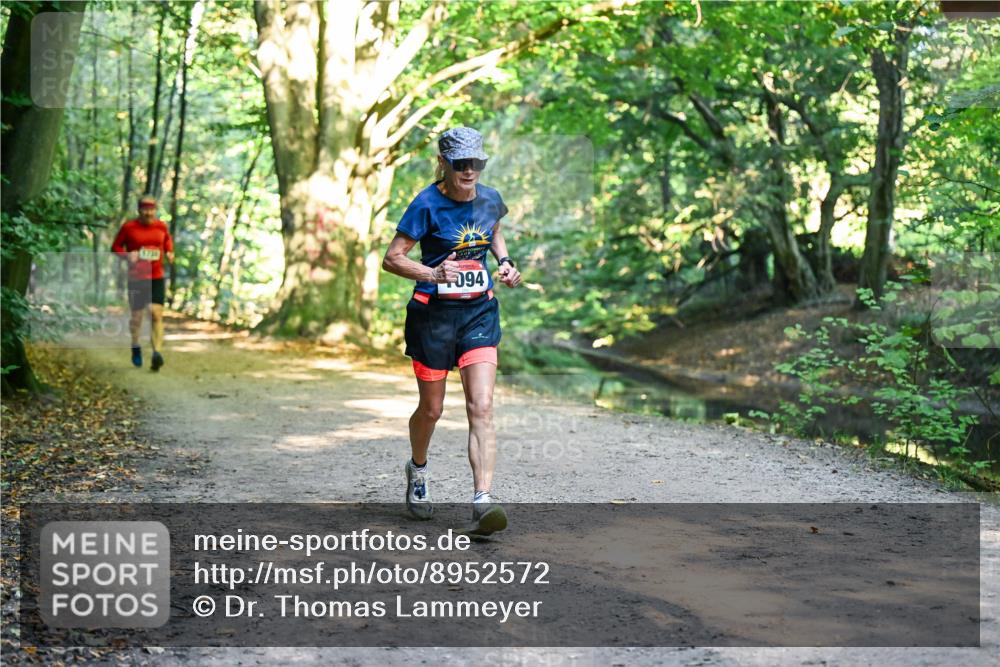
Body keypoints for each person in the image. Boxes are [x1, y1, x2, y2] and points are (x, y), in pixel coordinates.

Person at [382, 127, 522, 537]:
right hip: (434, 318)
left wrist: (505, 261)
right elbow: (393, 259)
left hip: (480, 313)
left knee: (481, 407)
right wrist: (431, 272)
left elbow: (494, 228)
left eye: (476, 163)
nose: (469, 171)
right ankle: (418, 469)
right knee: (432, 410)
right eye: (460, 164)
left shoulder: (491, 198)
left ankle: (482, 501)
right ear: (443, 163)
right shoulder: (426, 204)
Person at [111, 195, 174, 371]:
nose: (149, 213)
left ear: (155, 210)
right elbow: (115, 247)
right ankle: (135, 345)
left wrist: (169, 252)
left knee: (156, 313)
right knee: (137, 318)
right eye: (145, 209)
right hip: (136, 278)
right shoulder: (129, 227)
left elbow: (167, 241)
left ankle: (156, 353)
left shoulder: (161, 226)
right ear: (139, 210)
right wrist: (127, 255)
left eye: (152, 209)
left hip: (156, 276)